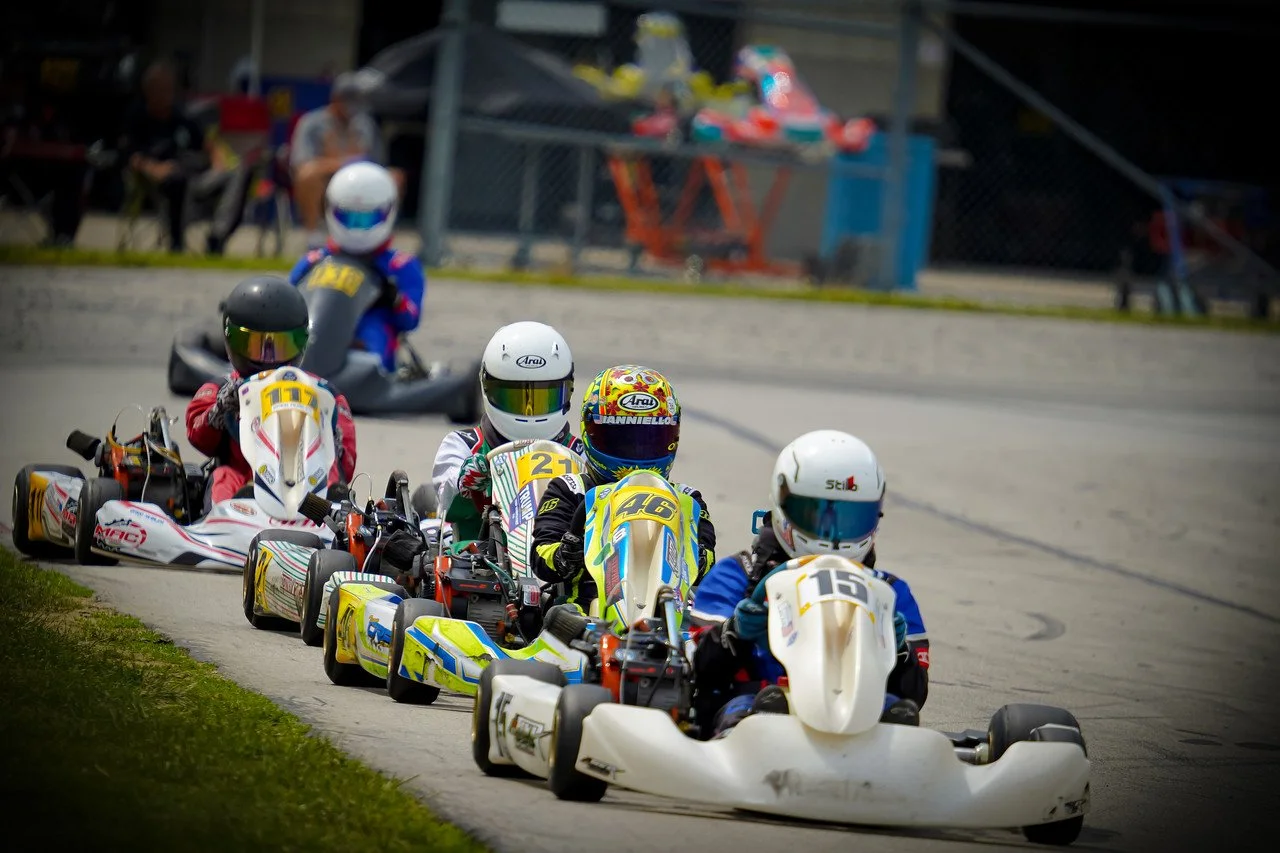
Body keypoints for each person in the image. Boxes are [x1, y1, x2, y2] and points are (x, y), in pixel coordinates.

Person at [686, 430, 929, 738]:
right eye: (818, 516)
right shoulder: (737, 575)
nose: (834, 535)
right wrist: (735, 634)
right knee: (750, 711)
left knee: (899, 714)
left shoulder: (890, 594)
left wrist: (899, 652)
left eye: (850, 519)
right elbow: (698, 674)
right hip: (755, 704)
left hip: (858, 716)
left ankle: (884, 756)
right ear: (783, 507)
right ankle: (760, 731)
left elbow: (915, 696)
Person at [379, 322, 582, 570]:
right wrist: (466, 480)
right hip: (480, 564)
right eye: (514, 398)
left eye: (543, 397)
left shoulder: (580, 455)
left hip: (565, 561)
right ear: (488, 387)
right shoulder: (464, 445)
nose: (529, 412)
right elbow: (445, 493)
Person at [530, 365, 716, 613]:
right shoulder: (572, 490)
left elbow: (708, 564)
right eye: (622, 439)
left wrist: (696, 558)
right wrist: (569, 549)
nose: (636, 451)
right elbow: (542, 557)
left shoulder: (686, 500)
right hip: (584, 614)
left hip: (667, 611)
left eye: (649, 439)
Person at [185, 275, 357, 506]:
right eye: (255, 346)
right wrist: (220, 410)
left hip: (307, 491)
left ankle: (334, 513)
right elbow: (199, 438)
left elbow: (346, 463)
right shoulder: (219, 389)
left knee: (332, 478)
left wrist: (329, 433)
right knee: (223, 477)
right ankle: (227, 519)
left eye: (280, 347)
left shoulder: (324, 393)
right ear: (231, 339)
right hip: (245, 483)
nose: (268, 359)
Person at [287, 161, 423, 373]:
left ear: (388, 211)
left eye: (366, 218)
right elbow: (286, 307)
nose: (357, 227)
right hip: (314, 331)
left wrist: (394, 300)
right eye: (349, 218)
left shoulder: (400, 266)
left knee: (374, 328)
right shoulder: (314, 261)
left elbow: (410, 320)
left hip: (369, 344)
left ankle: (362, 364)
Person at [118, 59, 249, 254]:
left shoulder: (182, 117)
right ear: (147, 90)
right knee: (176, 178)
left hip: (196, 179)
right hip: (160, 182)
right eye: (160, 88)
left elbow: (208, 144)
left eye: (169, 89)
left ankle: (217, 237)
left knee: (239, 173)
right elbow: (130, 155)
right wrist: (154, 168)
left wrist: (218, 161)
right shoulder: (137, 118)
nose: (166, 94)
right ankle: (177, 243)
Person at [289, 72, 406, 249]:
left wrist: (356, 160)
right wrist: (345, 161)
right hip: (326, 182)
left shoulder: (365, 124)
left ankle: (381, 235)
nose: (353, 107)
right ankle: (313, 237)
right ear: (335, 99)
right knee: (308, 174)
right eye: (348, 100)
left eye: (356, 101)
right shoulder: (312, 122)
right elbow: (302, 163)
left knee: (395, 176)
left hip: (361, 178)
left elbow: (378, 163)